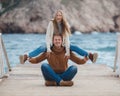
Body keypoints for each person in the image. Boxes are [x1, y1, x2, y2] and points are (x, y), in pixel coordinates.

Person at [19, 9, 98, 64]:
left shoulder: (65, 24)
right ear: (55, 16)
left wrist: (67, 52)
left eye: (60, 15)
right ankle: (26, 57)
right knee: (41, 48)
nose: (58, 17)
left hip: (62, 44)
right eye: (57, 15)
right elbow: (47, 36)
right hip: (51, 43)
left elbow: (66, 39)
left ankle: (90, 56)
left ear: (62, 16)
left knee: (75, 47)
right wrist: (49, 49)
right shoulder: (51, 23)